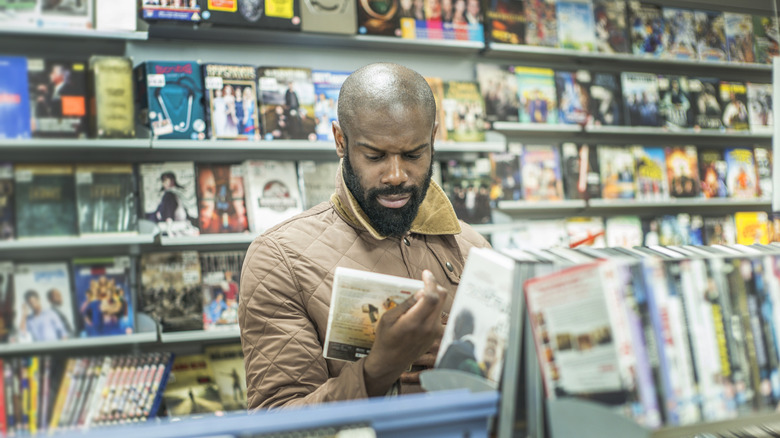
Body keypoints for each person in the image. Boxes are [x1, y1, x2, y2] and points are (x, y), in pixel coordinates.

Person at [239, 63, 490, 410]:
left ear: (433, 138)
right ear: (341, 141)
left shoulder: (475, 249)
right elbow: (275, 425)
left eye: (414, 154)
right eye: (375, 156)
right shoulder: (280, 258)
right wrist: (376, 370)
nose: (396, 175)